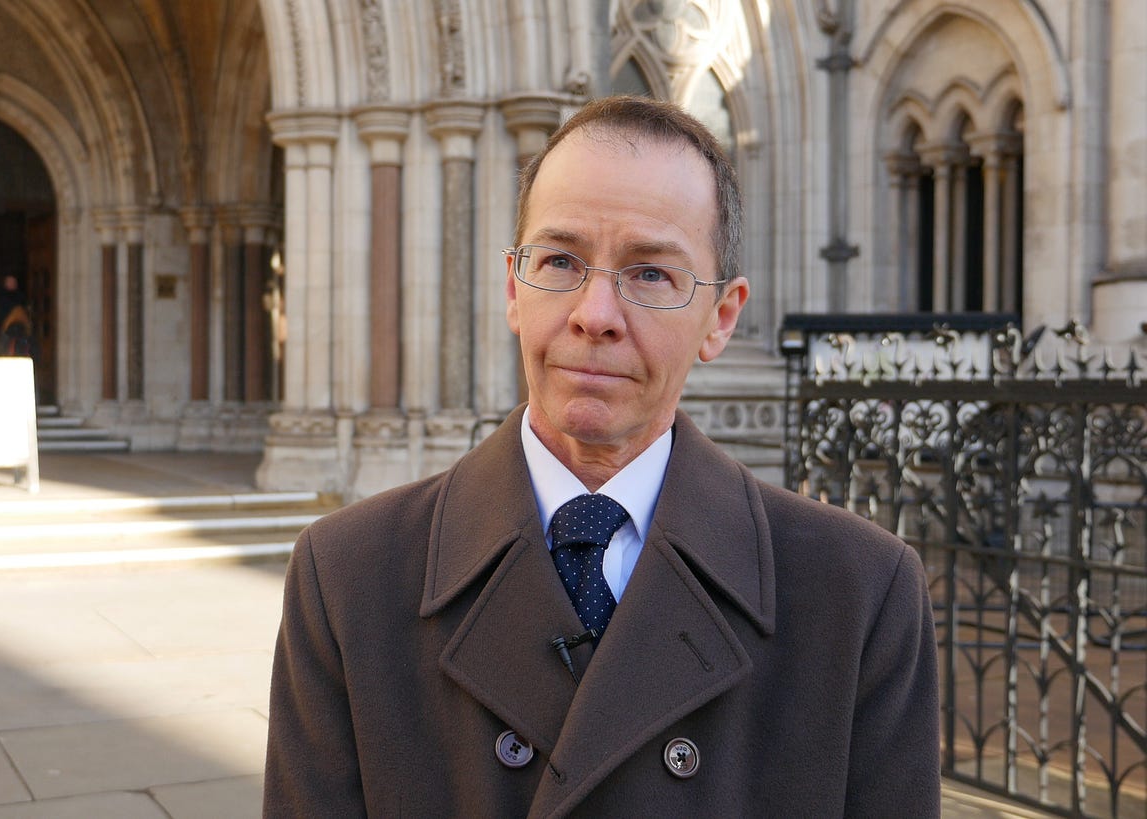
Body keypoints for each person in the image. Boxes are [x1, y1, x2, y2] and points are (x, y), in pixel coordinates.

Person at [264, 96, 940, 816]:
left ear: (721, 317)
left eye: (651, 274)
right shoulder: (347, 579)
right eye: (559, 260)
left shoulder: (860, 595)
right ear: (512, 289)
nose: (594, 313)